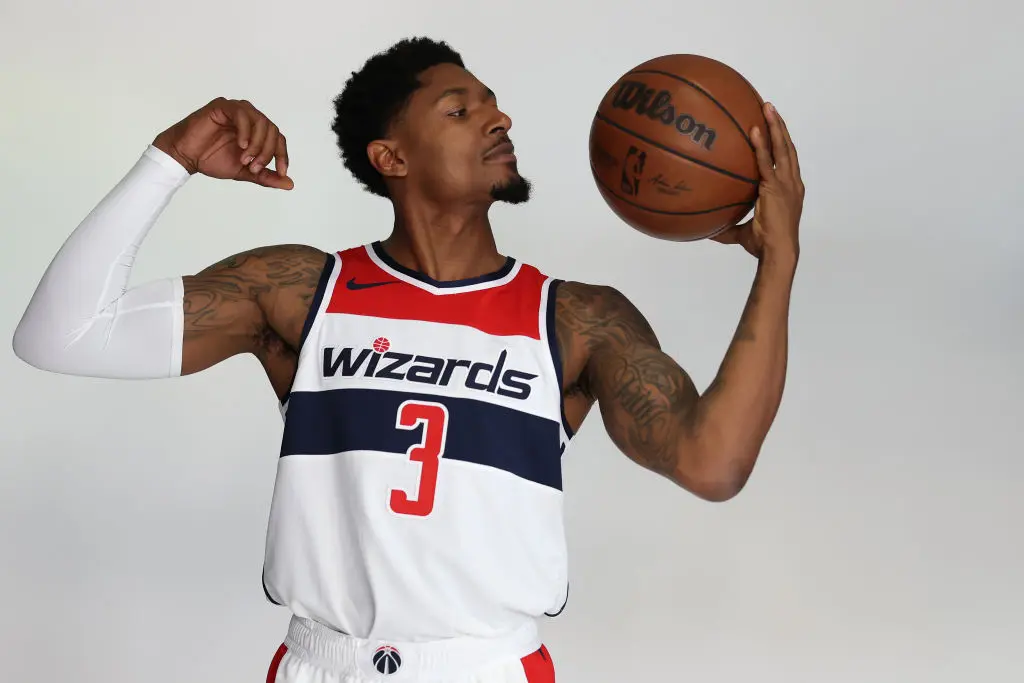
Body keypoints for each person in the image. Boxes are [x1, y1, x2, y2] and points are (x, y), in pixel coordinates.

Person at [12, 36, 804, 683]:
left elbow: (713, 462)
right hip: (323, 665)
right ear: (390, 157)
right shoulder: (298, 290)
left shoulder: (576, 317)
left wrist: (778, 261)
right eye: (460, 109)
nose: (496, 119)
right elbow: (59, 334)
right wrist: (171, 158)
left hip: (486, 668)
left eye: (493, 104)